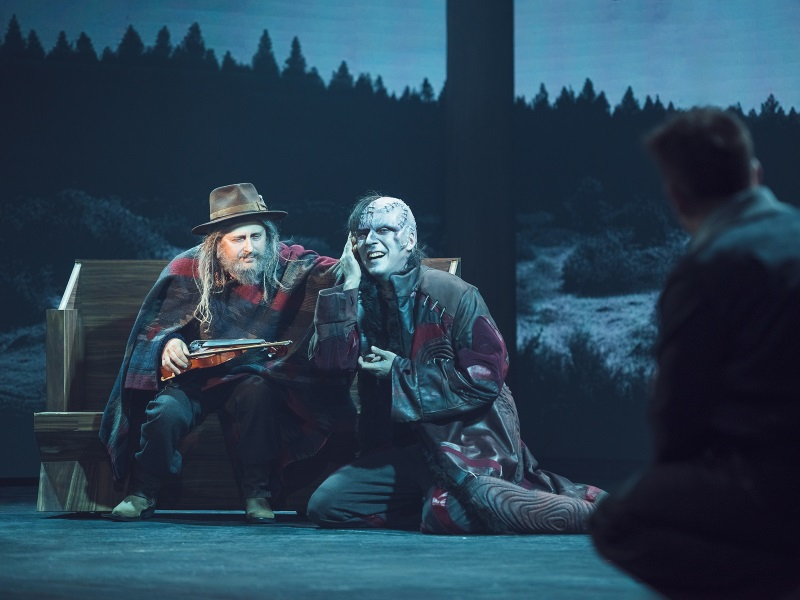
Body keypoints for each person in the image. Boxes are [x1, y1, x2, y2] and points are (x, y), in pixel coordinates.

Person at [590, 108, 800, 599]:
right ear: (755, 173)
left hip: (762, 478)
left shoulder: (710, 268)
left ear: (677, 197)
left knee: (617, 521)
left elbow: (677, 413)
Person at [305, 194, 605, 534]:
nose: (370, 241)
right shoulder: (355, 298)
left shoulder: (452, 293)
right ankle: (439, 506)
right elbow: (330, 367)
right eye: (361, 234)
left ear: (409, 240)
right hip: (405, 452)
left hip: (466, 446)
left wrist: (399, 372)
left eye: (384, 230)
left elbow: (485, 379)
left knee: (448, 514)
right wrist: (348, 284)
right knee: (326, 506)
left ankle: (582, 512)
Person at [99, 183, 354, 523]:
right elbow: (155, 328)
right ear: (217, 244)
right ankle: (143, 491)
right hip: (194, 379)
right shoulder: (188, 267)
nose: (250, 248)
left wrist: (355, 261)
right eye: (239, 239)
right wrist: (168, 344)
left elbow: (333, 272)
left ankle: (257, 493)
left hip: (251, 376)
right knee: (165, 414)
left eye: (257, 236)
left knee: (260, 395)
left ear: (269, 237)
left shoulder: (288, 265)